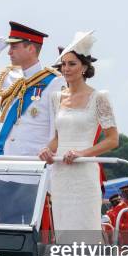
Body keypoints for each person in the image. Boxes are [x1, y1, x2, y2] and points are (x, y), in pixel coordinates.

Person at [0, 21, 65, 224]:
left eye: (14, 46)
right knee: (7, 230)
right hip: (7, 169)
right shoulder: (10, 79)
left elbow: (57, 131)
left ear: (31, 48)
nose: (9, 52)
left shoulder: (54, 82)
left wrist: (51, 176)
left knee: (32, 233)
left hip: (33, 172)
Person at [38, 31, 119, 243]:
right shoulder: (56, 98)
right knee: (63, 230)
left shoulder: (99, 97)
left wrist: (82, 153)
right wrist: (48, 150)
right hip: (60, 172)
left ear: (84, 67)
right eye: (63, 64)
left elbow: (112, 140)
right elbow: (57, 138)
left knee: (85, 228)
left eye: (71, 64)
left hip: (84, 172)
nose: (66, 69)